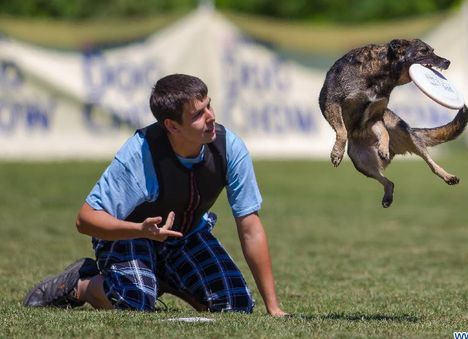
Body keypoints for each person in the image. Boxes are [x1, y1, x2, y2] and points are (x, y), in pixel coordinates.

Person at [24, 74, 287, 316]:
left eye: (209, 105)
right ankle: (82, 283)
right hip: (129, 235)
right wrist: (140, 229)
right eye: (198, 114)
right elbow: (85, 219)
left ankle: (161, 275)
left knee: (236, 306)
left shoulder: (230, 147)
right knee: (134, 304)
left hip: (185, 236)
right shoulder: (140, 153)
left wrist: (273, 308)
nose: (211, 117)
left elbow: (250, 227)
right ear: (172, 126)